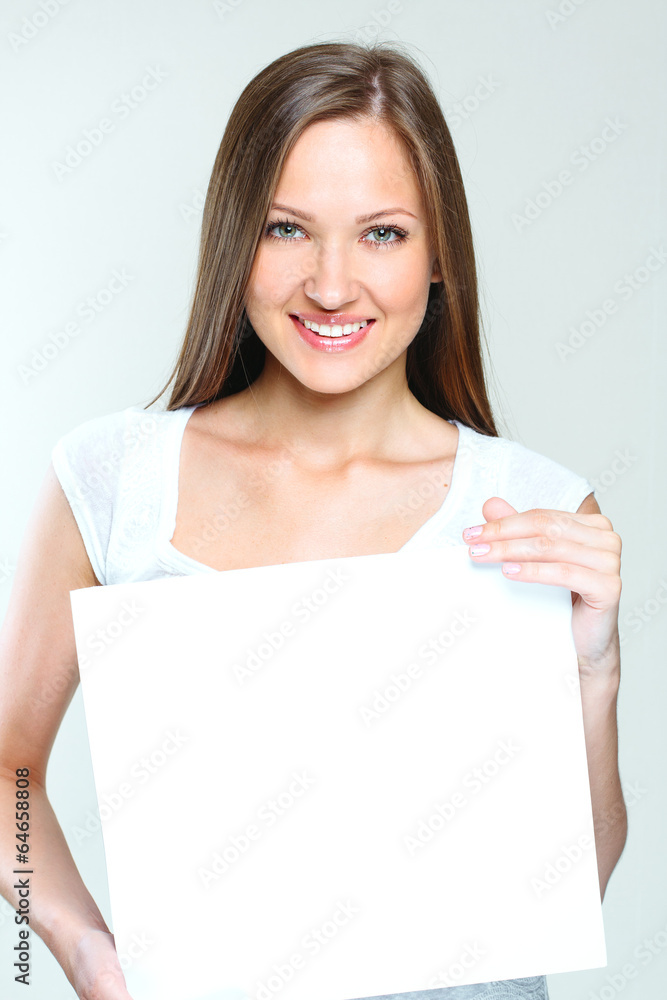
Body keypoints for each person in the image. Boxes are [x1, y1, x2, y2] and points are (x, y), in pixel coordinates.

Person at [0, 39, 626, 1000]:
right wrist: (81, 943)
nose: (332, 287)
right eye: (287, 229)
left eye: (382, 234)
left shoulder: (538, 511)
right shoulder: (113, 479)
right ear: (234, 240)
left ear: (439, 255)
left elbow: (573, 879)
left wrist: (592, 672)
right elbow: (8, 773)